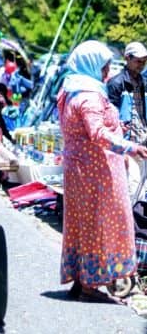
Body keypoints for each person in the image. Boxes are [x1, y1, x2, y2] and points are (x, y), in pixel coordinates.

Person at [57, 40, 147, 302]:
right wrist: (130, 147)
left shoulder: (71, 89)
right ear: (93, 65)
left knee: (81, 225)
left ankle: (81, 278)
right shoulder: (89, 96)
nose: (108, 72)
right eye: (105, 66)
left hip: (79, 168)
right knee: (99, 225)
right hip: (95, 171)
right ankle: (90, 285)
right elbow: (97, 132)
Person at [107, 41, 147, 198]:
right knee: (133, 185)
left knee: (141, 187)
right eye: (138, 61)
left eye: (144, 61)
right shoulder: (116, 83)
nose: (141, 65)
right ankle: (129, 221)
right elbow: (109, 116)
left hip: (142, 139)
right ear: (127, 58)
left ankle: (136, 220)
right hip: (127, 142)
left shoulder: (143, 82)